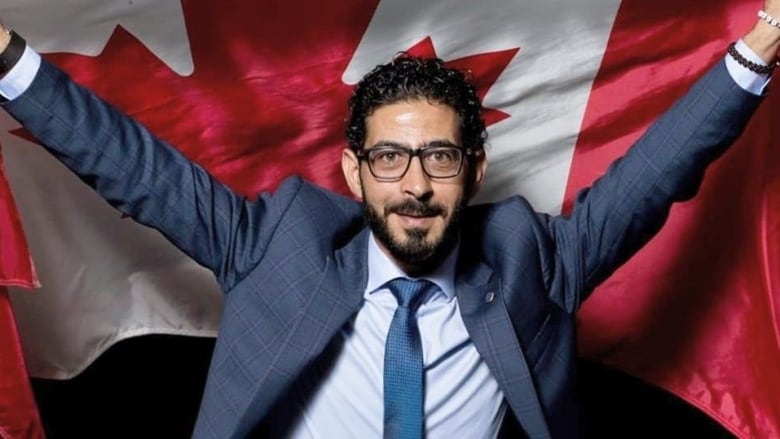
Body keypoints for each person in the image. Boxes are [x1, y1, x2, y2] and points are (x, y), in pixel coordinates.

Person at [0, 2, 778, 437]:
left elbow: (652, 178)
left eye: (439, 158)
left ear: (473, 168)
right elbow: (132, 166)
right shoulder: (279, 246)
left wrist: (762, 41)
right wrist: (7, 58)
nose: (414, 186)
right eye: (390, 160)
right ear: (353, 171)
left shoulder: (529, 263)